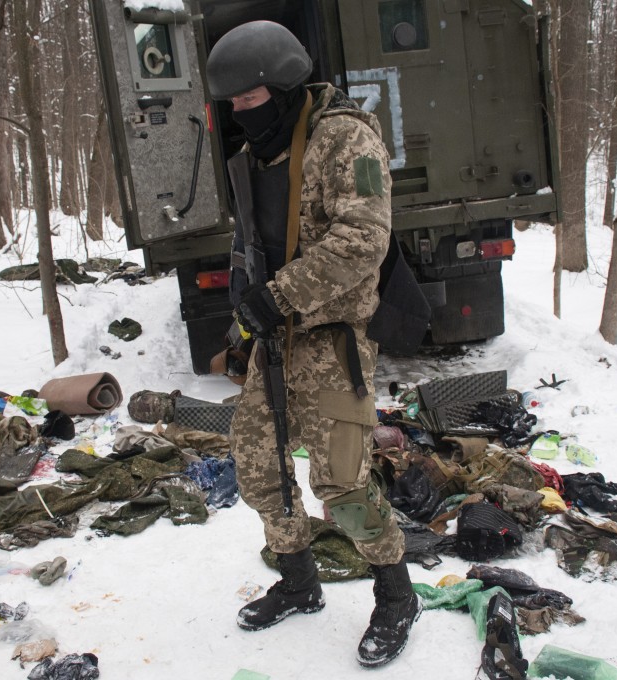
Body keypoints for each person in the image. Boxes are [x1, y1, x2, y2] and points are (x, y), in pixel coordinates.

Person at [205, 20, 421, 669]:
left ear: (283, 84)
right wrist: (246, 311)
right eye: (234, 104)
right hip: (276, 341)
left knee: (344, 485)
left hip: (333, 340)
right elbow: (253, 241)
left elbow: (362, 240)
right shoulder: (256, 156)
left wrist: (277, 297)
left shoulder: (346, 137)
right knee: (259, 469)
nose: (243, 113)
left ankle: (396, 594)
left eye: (250, 99)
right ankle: (300, 582)